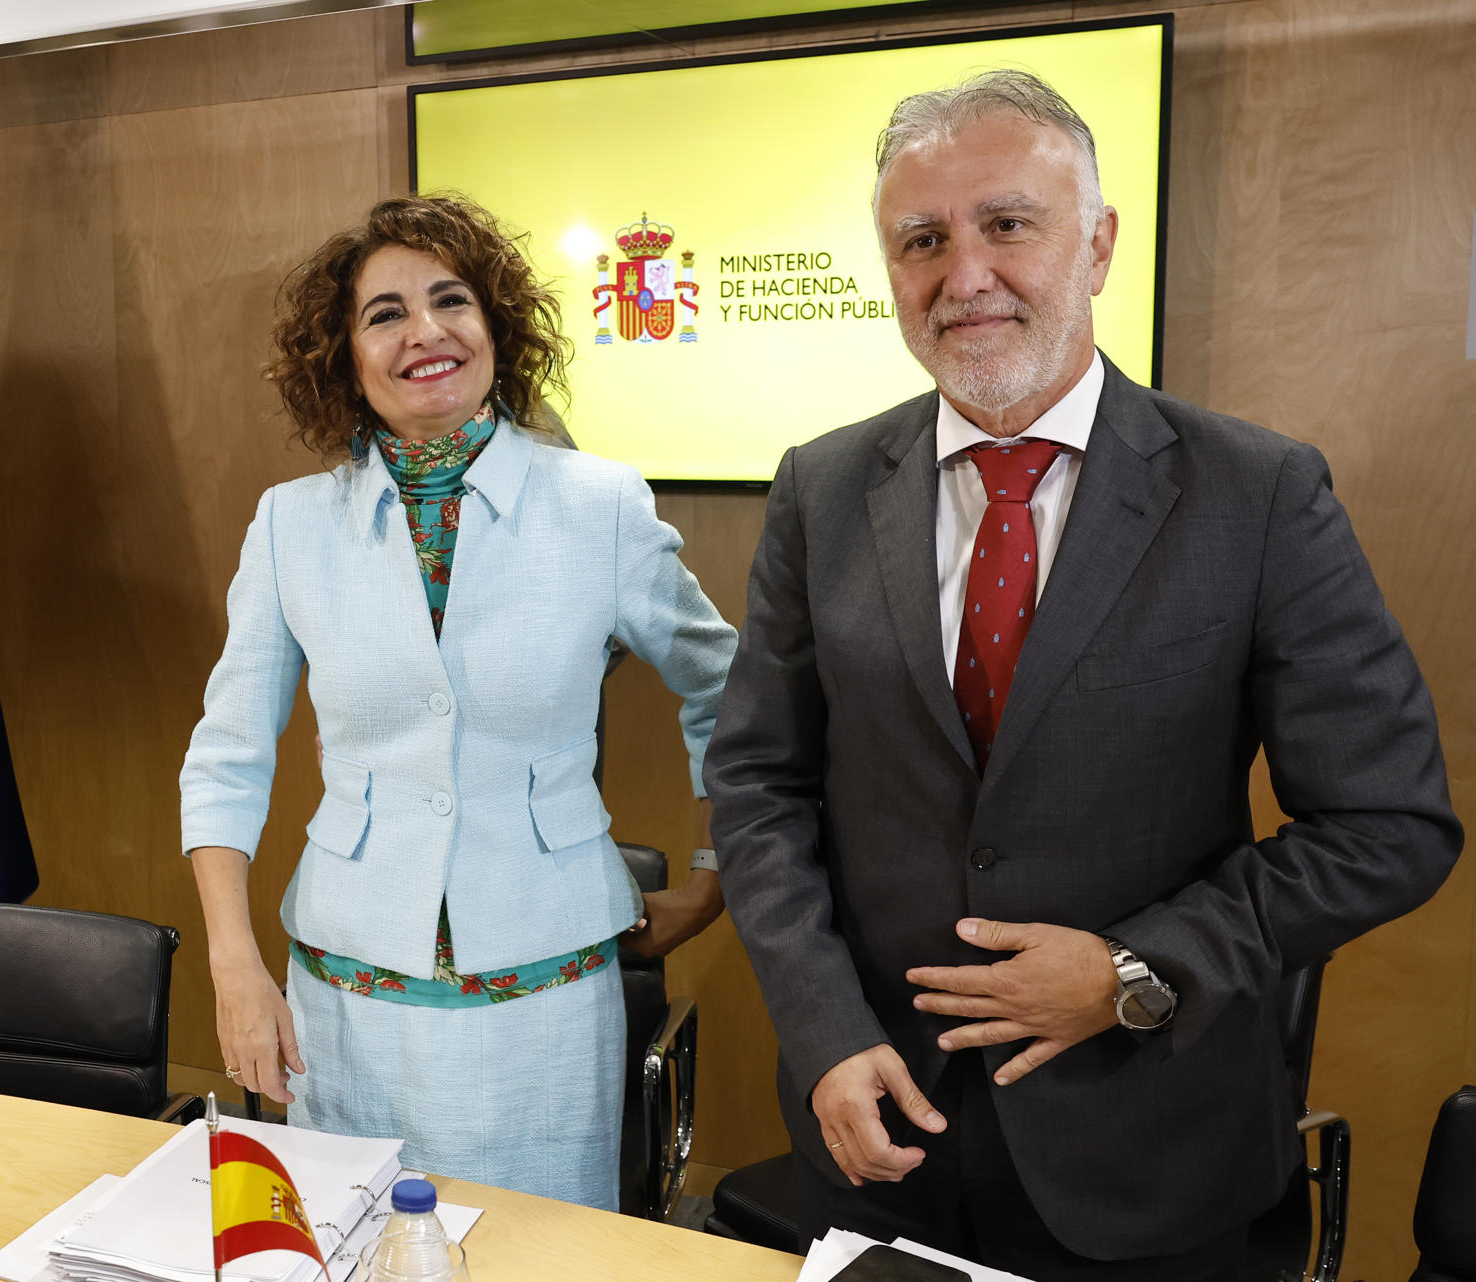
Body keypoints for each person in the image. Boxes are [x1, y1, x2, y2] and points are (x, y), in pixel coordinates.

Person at [705, 69, 1461, 1280]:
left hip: (1154, 1153)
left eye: (1008, 224)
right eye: (922, 240)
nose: (966, 276)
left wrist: (1134, 969)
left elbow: (1390, 826)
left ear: (1098, 244)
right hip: (886, 1137)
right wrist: (825, 1030)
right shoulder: (824, 487)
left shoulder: (1258, 495)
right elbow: (757, 785)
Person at [179, 195, 736, 1211]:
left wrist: (713, 876)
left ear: (497, 328)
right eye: (383, 313)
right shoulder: (289, 525)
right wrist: (234, 965)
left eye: (451, 300)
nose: (423, 331)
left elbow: (729, 693)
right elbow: (227, 755)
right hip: (344, 997)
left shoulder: (599, 505)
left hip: (548, 1003)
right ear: (345, 356)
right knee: (352, 1250)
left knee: (545, 1259)